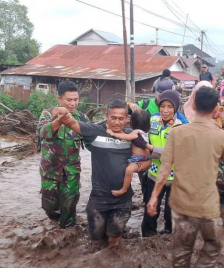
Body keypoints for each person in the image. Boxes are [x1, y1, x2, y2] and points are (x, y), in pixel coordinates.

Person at [147, 86, 224, 268]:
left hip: (182, 205)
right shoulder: (223, 136)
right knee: (213, 245)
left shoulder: (177, 132)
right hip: (207, 205)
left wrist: (154, 197)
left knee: (181, 251)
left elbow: (165, 167)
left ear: (193, 105)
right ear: (216, 109)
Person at [55, 99, 148, 246]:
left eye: (121, 118)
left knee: (115, 238)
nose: (117, 122)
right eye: (113, 118)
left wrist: (136, 167)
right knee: (96, 236)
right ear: (106, 116)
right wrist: (62, 111)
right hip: (99, 198)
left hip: (123, 199)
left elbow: (148, 158)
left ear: (127, 119)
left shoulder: (132, 136)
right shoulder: (94, 131)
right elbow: (71, 123)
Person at [37, 81, 89, 228]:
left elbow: (93, 141)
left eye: (76, 100)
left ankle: (68, 235)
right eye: (69, 100)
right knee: (49, 206)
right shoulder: (48, 114)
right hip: (50, 170)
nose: (73, 104)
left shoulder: (82, 119)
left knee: (69, 205)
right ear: (59, 99)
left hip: (71, 172)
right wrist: (60, 120)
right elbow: (43, 132)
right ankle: (56, 224)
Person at [142, 90, 189, 237]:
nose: (165, 110)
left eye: (170, 106)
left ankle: (169, 236)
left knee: (171, 213)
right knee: (150, 209)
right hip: (154, 174)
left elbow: (176, 154)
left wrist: (151, 149)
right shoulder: (152, 120)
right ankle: (148, 238)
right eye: (162, 106)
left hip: (175, 177)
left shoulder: (183, 125)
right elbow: (141, 136)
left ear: (176, 107)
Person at [105, 110, 152, 197]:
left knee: (128, 170)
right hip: (146, 159)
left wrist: (113, 133)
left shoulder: (136, 132)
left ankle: (124, 189)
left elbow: (126, 137)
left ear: (132, 123)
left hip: (138, 159)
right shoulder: (147, 133)